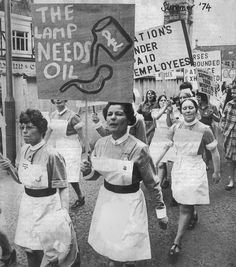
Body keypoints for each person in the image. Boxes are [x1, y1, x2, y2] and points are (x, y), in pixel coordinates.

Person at [81, 102, 168, 267]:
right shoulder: (100, 144)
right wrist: (86, 171)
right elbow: (96, 175)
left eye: (118, 114)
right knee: (112, 249)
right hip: (107, 201)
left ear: (128, 119)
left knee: (127, 252)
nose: (113, 117)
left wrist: (161, 211)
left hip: (130, 203)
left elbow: (152, 183)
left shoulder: (139, 148)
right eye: (109, 114)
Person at [0, 109, 80, 267]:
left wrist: (64, 215)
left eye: (29, 127)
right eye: (22, 127)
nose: (24, 131)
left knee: (49, 251)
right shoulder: (24, 150)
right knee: (30, 249)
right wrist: (10, 168)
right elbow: (22, 180)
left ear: (41, 129)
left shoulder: (52, 155)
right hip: (28, 205)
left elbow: (63, 187)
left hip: (47, 207)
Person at [156, 98, 220, 262]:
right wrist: (153, 164)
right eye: (185, 108)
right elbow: (165, 146)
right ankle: (194, 212)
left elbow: (214, 152)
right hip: (179, 167)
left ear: (196, 109)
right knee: (183, 199)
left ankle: (177, 242)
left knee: (185, 206)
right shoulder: (175, 127)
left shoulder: (205, 129)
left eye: (191, 107)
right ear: (181, 110)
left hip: (195, 167)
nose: (188, 110)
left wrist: (217, 172)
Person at [45, 100, 85, 209]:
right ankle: (64, 201)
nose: (58, 100)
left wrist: (84, 146)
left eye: (61, 97)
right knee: (60, 174)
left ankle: (73, 201)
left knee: (70, 175)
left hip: (72, 147)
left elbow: (81, 134)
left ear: (65, 99)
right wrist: (43, 144)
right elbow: (49, 131)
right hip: (58, 146)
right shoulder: (52, 115)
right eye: (55, 98)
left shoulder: (73, 116)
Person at [149, 95, 173, 188]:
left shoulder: (170, 111)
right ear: (158, 102)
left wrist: (168, 113)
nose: (163, 101)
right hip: (158, 138)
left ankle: (163, 182)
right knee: (159, 164)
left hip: (168, 137)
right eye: (161, 100)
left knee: (164, 162)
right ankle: (160, 186)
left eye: (165, 100)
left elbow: (169, 124)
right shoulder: (155, 111)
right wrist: (165, 107)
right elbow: (156, 117)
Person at [196, 92, 220, 168]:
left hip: (208, 130)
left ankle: (210, 163)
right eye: (197, 97)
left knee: (209, 149)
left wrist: (212, 114)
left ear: (203, 97)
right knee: (199, 148)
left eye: (199, 97)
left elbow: (218, 119)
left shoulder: (212, 107)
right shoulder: (196, 107)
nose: (197, 99)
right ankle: (204, 164)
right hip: (197, 130)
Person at [220, 81, 236, 190]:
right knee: (230, 160)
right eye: (233, 93)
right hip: (230, 136)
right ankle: (231, 180)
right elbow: (223, 118)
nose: (234, 95)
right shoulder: (229, 104)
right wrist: (223, 127)